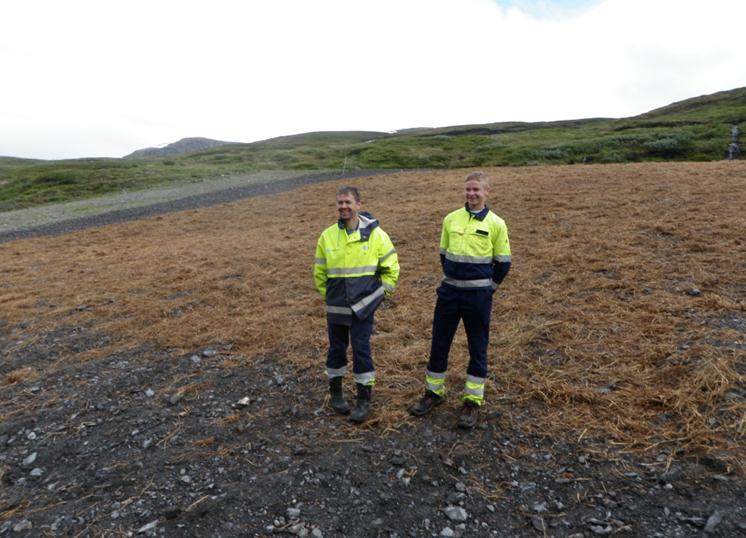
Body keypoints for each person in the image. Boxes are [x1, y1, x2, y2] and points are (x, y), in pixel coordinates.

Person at [409, 171, 511, 429]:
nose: (471, 194)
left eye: (476, 190)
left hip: (478, 298)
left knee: (478, 348)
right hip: (449, 295)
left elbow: (503, 262)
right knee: (439, 344)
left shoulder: (497, 224)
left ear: (487, 191)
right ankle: (433, 393)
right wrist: (454, 281)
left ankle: (472, 402)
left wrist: (489, 289)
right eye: (468, 190)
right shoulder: (450, 220)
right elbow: (443, 255)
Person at [314, 186, 400, 423]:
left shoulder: (376, 235)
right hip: (337, 307)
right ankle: (337, 393)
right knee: (336, 349)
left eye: (347, 202)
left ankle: (364, 399)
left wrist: (377, 298)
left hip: (364, 307)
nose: (343, 206)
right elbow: (320, 274)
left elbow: (391, 270)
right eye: (340, 203)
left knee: (362, 350)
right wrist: (331, 297)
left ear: (358, 204)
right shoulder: (327, 236)